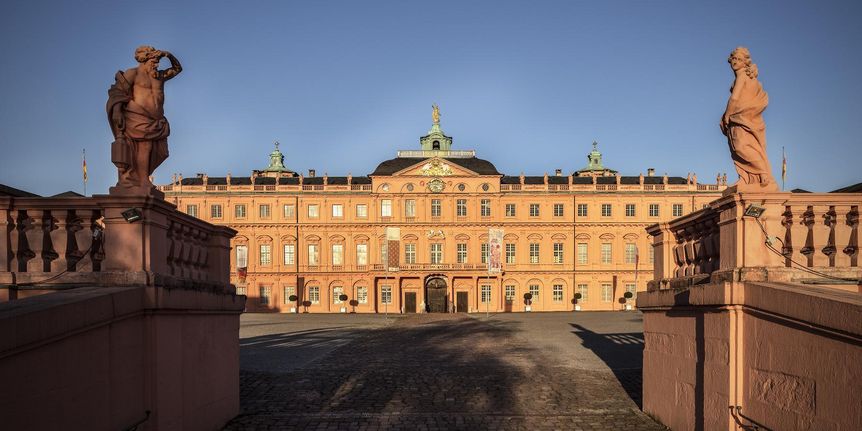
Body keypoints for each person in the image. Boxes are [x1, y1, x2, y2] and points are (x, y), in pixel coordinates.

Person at [107, 46, 182, 191]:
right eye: (153, 62)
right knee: (145, 146)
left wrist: (168, 55)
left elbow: (177, 68)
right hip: (137, 116)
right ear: (144, 60)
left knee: (161, 151)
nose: (156, 65)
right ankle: (143, 180)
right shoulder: (132, 73)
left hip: (157, 120)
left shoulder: (159, 76)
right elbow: (118, 92)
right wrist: (117, 111)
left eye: (158, 62)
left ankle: (142, 178)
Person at [720, 47, 777, 191]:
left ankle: (762, 173)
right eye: (734, 59)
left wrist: (726, 115)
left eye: (739, 59)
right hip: (740, 117)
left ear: (745, 62)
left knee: (741, 146)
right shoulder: (744, 76)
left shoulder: (742, 76)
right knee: (738, 147)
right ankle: (746, 178)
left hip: (742, 117)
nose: (735, 62)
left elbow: (735, 97)